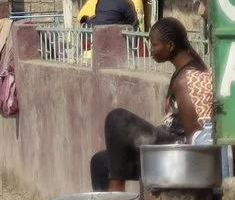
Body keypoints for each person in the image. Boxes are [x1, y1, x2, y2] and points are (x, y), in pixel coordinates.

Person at [87, 17, 215, 190]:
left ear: (170, 46)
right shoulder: (182, 73)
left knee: (117, 119)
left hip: (178, 153)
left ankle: (116, 193)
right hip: (167, 145)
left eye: (154, 45)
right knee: (100, 162)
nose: (150, 51)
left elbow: (197, 134)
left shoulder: (190, 79)